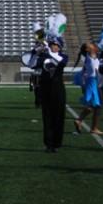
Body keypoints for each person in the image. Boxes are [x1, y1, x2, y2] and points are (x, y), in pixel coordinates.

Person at [35, 14, 68, 153]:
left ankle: (57, 143)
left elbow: (60, 62)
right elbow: (32, 64)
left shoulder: (64, 56)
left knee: (58, 116)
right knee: (47, 116)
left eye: (56, 45)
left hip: (58, 89)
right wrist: (37, 50)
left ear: (60, 47)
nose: (54, 47)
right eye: (52, 45)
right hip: (46, 89)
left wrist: (48, 51)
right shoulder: (44, 55)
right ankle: (48, 144)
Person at [73, 41, 103, 135]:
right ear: (87, 49)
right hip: (93, 82)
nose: (93, 44)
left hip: (92, 81)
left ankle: (80, 120)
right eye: (90, 45)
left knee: (93, 105)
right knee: (97, 104)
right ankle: (91, 126)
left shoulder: (91, 57)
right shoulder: (90, 57)